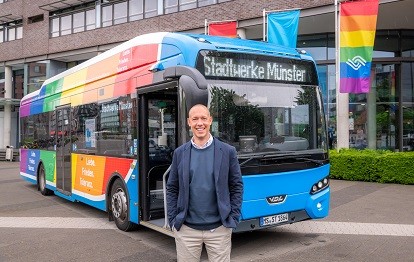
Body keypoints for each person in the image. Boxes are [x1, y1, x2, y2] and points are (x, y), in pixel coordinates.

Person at [166, 104, 243, 262]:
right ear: (189, 122)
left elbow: (236, 186)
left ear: (210, 120)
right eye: (195, 119)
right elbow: (172, 188)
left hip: (219, 230)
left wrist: (233, 218)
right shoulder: (180, 153)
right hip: (186, 230)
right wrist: (173, 220)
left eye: (203, 118)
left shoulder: (227, 151)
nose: (199, 123)